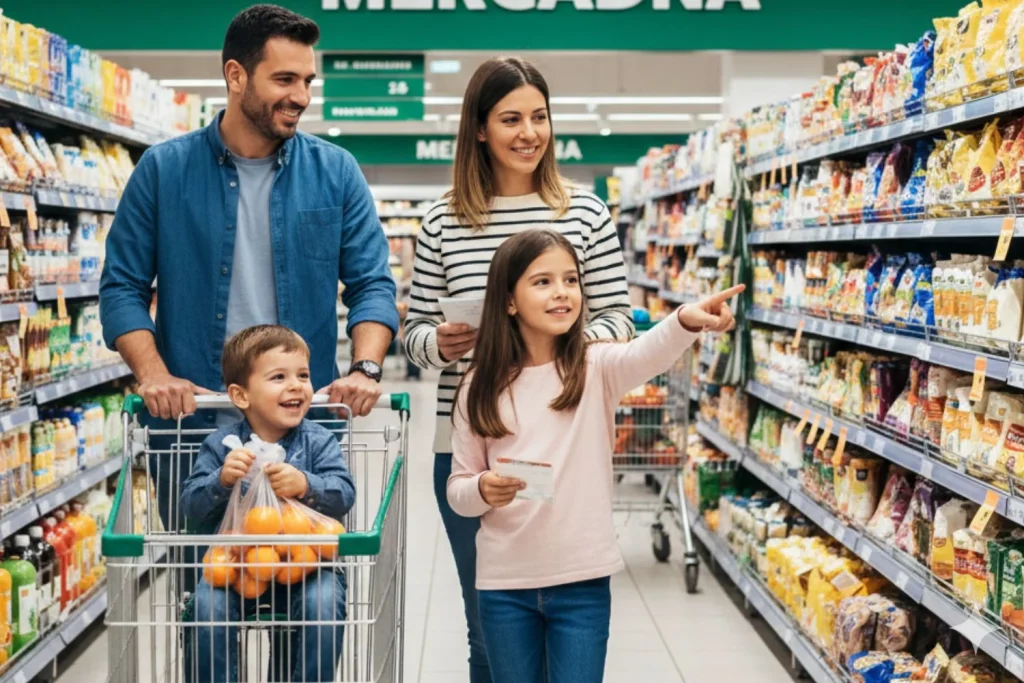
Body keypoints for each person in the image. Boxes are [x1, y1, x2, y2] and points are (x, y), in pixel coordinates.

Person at [99, 4, 397, 536]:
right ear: (236, 76)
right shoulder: (164, 171)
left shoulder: (335, 171)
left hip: (301, 426)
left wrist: (366, 368)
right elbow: (122, 286)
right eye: (284, 79)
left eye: (307, 80)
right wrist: (153, 374)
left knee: (311, 599)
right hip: (193, 421)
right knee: (204, 594)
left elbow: (371, 282)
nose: (301, 96)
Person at [403, 56, 634, 682]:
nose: (529, 132)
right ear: (479, 129)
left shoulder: (583, 213)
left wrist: (558, 347)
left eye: (540, 117)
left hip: (561, 437)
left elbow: (619, 318)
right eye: (510, 118)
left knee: (565, 607)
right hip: (473, 444)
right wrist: (442, 344)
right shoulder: (442, 219)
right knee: (487, 628)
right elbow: (412, 333)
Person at [447, 230, 743, 683]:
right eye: (542, 281)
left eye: (570, 279)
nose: (562, 291)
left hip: (581, 579)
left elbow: (649, 352)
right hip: (505, 583)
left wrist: (686, 319)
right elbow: (459, 492)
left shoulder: (595, 366)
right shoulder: (478, 386)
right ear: (508, 301)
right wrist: (483, 489)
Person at [181, 325, 355, 683]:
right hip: (236, 565)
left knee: (321, 607)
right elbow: (191, 506)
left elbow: (344, 493)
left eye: (303, 375)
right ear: (240, 395)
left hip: (308, 564)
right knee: (206, 609)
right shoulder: (222, 446)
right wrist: (222, 480)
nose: (296, 386)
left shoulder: (319, 442)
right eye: (279, 377)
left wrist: (306, 484)